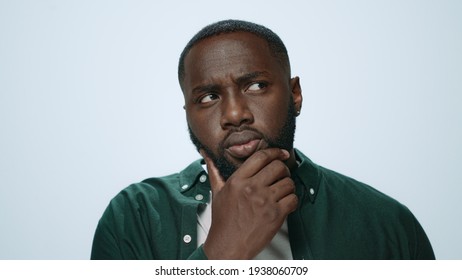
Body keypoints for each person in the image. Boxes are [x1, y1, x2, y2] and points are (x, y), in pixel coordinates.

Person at [90, 19, 435, 260]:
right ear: (187, 112)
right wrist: (222, 253)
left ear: (295, 94)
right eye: (208, 97)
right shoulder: (134, 216)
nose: (235, 114)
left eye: (256, 86)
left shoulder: (386, 224)